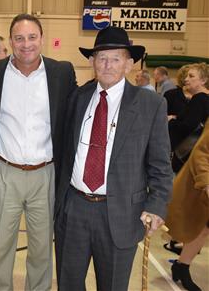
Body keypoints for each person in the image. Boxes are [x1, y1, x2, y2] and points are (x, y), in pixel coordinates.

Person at [54, 26, 173, 291]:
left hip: (121, 213)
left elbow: (161, 165)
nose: (107, 65)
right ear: (92, 62)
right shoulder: (78, 97)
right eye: (101, 58)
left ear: (129, 64)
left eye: (115, 58)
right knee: (68, 284)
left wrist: (157, 204)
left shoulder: (149, 105)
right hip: (74, 208)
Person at [0, 13, 77, 291]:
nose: (26, 44)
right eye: (19, 38)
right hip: (4, 171)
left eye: (32, 37)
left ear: (42, 39)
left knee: (41, 250)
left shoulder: (62, 72)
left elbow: (77, 111)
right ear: (10, 41)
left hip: (44, 173)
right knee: (0, 247)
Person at [165, 120, 209, 291]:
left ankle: (181, 266)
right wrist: (206, 183)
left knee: (203, 229)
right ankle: (182, 267)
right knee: (199, 227)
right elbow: (201, 153)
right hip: (201, 185)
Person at [168, 63, 209, 173]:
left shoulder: (199, 99)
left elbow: (187, 127)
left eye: (191, 76)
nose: (186, 79)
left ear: (203, 80)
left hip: (188, 158)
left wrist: (171, 121)